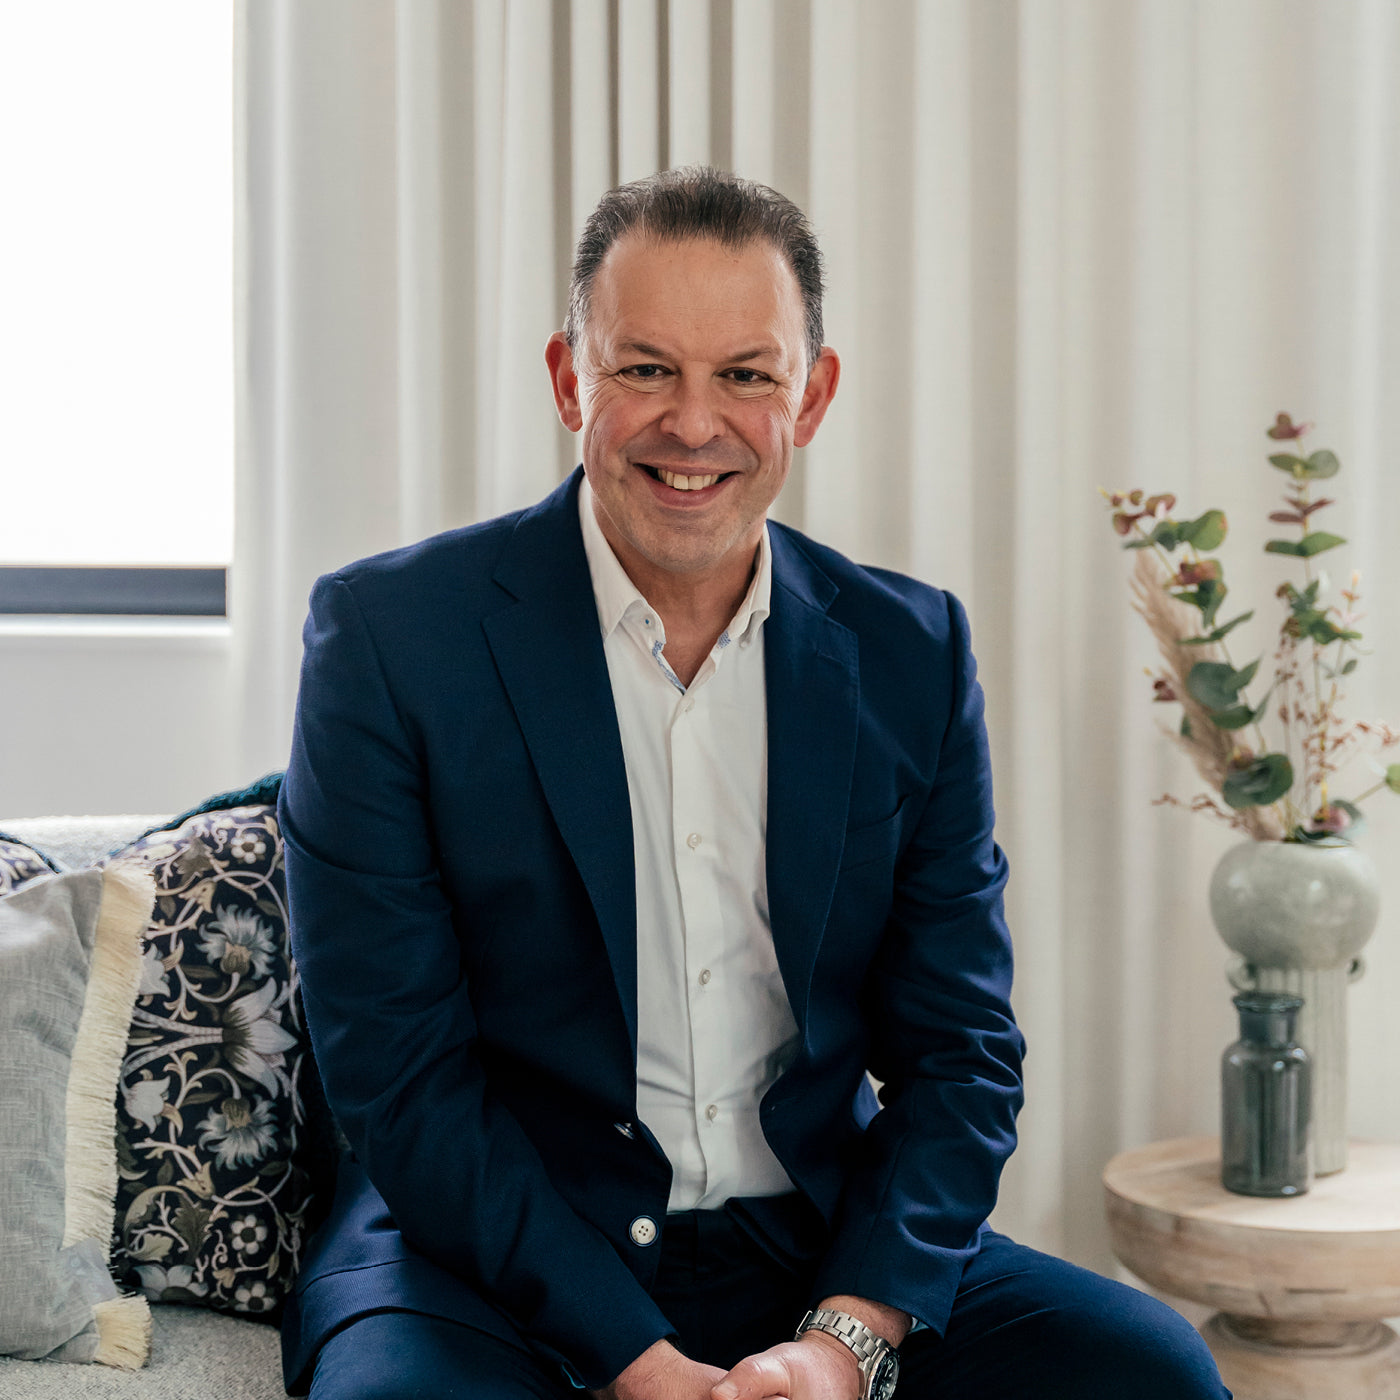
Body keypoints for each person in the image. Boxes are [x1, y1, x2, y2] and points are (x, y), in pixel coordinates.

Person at [279, 166, 1229, 1400]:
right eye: (644, 368)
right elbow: (399, 1077)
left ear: (810, 396)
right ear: (569, 380)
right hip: (489, 1252)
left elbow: (959, 1052)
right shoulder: (390, 638)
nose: (693, 424)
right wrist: (632, 1359)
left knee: (1152, 1374)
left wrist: (846, 1338)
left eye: (744, 374)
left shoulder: (908, 653)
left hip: (813, 1242)